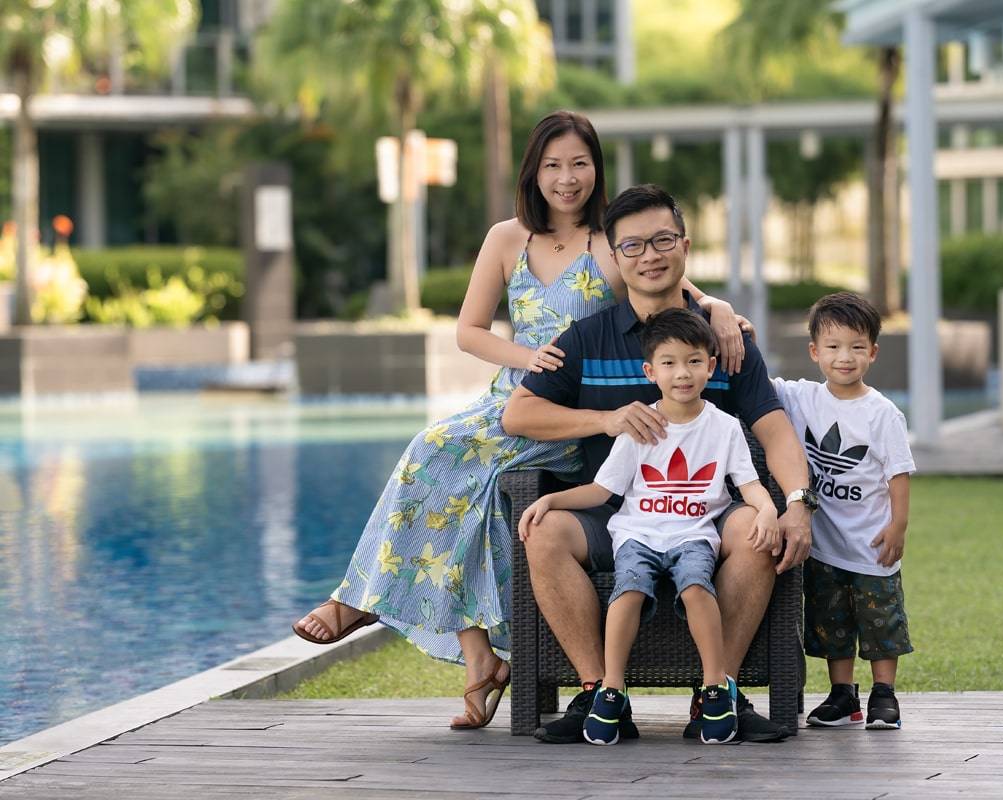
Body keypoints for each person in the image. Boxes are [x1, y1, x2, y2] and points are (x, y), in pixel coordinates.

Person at [290, 112, 751, 730]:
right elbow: (468, 331)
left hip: (572, 414)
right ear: (533, 171)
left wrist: (721, 309)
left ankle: (370, 607)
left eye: (580, 164)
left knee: (446, 466)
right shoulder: (507, 238)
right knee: (439, 465)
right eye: (553, 165)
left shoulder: (608, 242)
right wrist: (525, 356)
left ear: (597, 169)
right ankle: (472, 651)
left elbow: (673, 282)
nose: (567, 179)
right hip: (512, 399)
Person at [502, 184, 818, 744]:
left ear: (685, 246)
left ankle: (716, 692)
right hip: (613, 513)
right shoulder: (586, 338)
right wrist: (602, 421)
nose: (649, 255)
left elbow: (775, 430)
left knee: (753, 527)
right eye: (632, 246)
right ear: (615, 258)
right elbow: (518, 414)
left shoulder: (725, 341)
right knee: (544, 530)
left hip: (706, 517)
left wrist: (796, 503)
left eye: (662, 240)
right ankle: (600, 694)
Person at [517, 308, 780, 745]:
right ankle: (610, 690)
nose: (683, 373)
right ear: (651, 371)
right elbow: (602, 490)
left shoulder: (725, 427)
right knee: (629, 591)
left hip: (695, 534)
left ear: (711, 366)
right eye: (670, 363)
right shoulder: (642, 426)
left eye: (694, 361)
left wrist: (769, 509)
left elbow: (748, 484)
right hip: (637, 534)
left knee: (697, 587)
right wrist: (551, 499)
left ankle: (717, 687)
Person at [771, 291, 915, 730]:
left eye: (856, 347)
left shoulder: (882, 414)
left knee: (879, 621)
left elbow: (898, 475)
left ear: (872, 351)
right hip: (825, 547)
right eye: (833, 347)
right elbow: (754, 377)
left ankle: (884, 695)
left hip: (871, 544)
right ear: (814, 352)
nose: (844, 357)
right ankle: (842, 695)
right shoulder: (802, 399)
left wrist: (898, 527)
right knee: (832, 623)